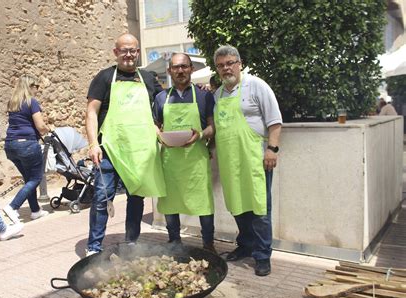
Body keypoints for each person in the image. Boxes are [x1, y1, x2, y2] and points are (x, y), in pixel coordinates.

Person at [85, 33, 166, 256]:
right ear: (116, 52)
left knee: (136, 198)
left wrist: (162, 129)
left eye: (133, 50)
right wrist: (93, 144)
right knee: (102, 198)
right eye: (124, 50)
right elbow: (91, 112)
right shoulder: (104, 77)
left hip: (139, 152)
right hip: (109, 149)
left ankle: (131, 242)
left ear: (138, 52)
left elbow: (165, 106)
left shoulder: (148, 78)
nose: (129, 55)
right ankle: (93, 247)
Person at [213, 45, 282, 276]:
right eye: (221, 65)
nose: (226, 68)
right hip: (230, 161)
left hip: (255, 159)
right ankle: (245, 246)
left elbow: (275, 121)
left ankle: (262, 255)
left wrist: (272, 149)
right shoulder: (218, 94)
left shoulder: (257, 86)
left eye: (230, 63)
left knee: (260, 208)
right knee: (238, 206)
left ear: (239, 63)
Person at [153, 53, 216, 253]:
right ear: (169, 71)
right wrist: (160, 137)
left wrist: (199, 136)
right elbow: (155, 125)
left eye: (184, 67)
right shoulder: (161, 97)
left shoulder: (205, 96)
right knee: (171, 203)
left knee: (203, 203)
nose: (180, 71)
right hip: (171, 161)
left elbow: (212, 127)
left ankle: (208, 243)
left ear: (191, 69)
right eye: (176, 67)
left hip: (196, 160)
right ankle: (174, 241)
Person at [3, 75, 51, 224]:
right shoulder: (32, 102)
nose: (37, 90)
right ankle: (13, 207)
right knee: (36, 178)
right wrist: (48, 129)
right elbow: (40, 126)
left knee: (29, 179)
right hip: (27, 145)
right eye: (36, 86)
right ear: (30, 86)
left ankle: (35, 211)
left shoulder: (12, 103)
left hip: (11, 145)